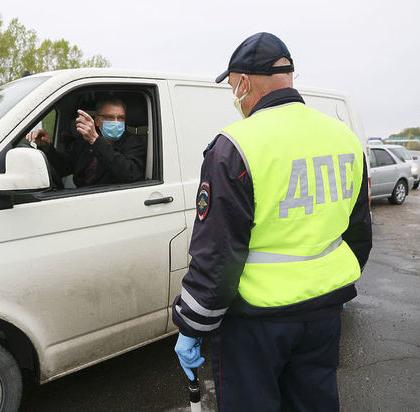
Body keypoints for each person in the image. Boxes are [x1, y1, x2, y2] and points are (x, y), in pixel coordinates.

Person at [172, 32, 372, 411]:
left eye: (233, 87)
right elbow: (359, 231)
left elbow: (217, 255)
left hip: (256, 323)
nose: (235, 98)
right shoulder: (344, 138)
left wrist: (192, 326)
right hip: (324, 315)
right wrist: (336, 288)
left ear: (244, 82)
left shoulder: (234, 146)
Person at [26, 98, 146, 187]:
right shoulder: (84, 141)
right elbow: (64, 168)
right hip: (82, 195)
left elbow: (131, 174)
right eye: (109, 117)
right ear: (97, 121)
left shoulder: (133, 143)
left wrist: (96, 141)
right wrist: (47, 147)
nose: (116, 122)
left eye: (120, 118)